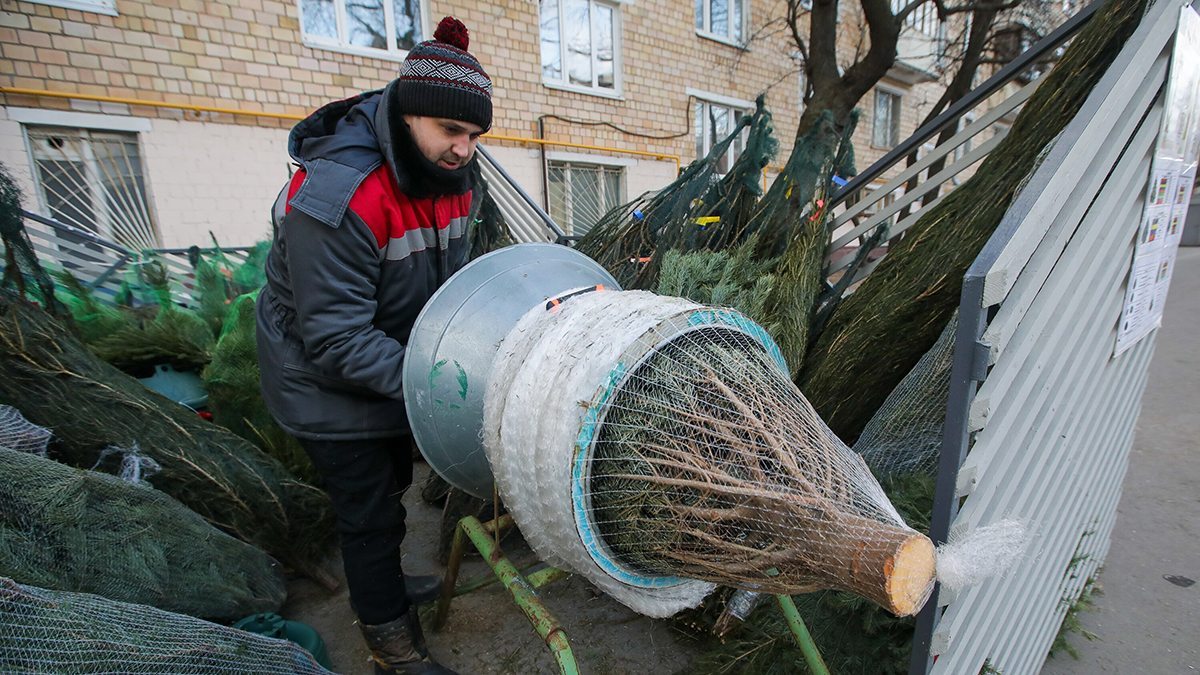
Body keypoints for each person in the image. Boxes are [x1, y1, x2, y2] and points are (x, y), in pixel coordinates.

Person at [255, 16, 491, 675]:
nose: (464, 149)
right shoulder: (339, 194)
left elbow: (451, 285)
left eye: (474, 135)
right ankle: (392, 645)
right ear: (410, 112)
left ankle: (383, 584)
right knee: (367, 511)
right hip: (322, 380)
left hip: (388, 361)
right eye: (451, 130)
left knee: (392, 488)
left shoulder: (449, 173)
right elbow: (335, 338)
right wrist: (439, 385)